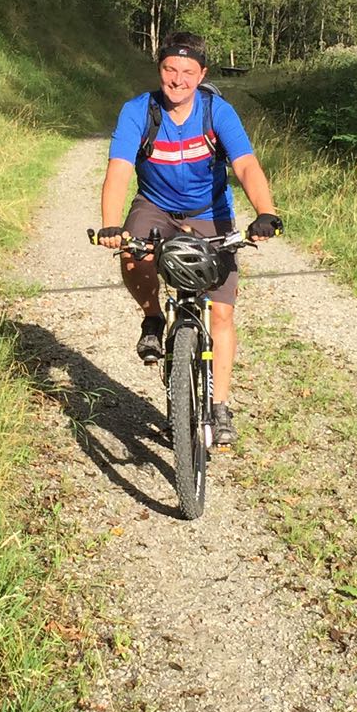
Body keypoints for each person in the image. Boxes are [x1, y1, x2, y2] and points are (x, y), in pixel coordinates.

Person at [96, 31, 283, 448]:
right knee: (133, 253)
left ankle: (220, 406)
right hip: (155, 206)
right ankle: (152, 318)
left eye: (187, 72)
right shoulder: (138, 111)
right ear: (159, 69)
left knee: (221, 312)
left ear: (202, 75)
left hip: (209, 212)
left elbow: (246, 165)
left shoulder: (217, 112)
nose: (177, 80)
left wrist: (265, 212)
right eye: (169, 69)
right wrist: (110, 225)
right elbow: (119, 169)